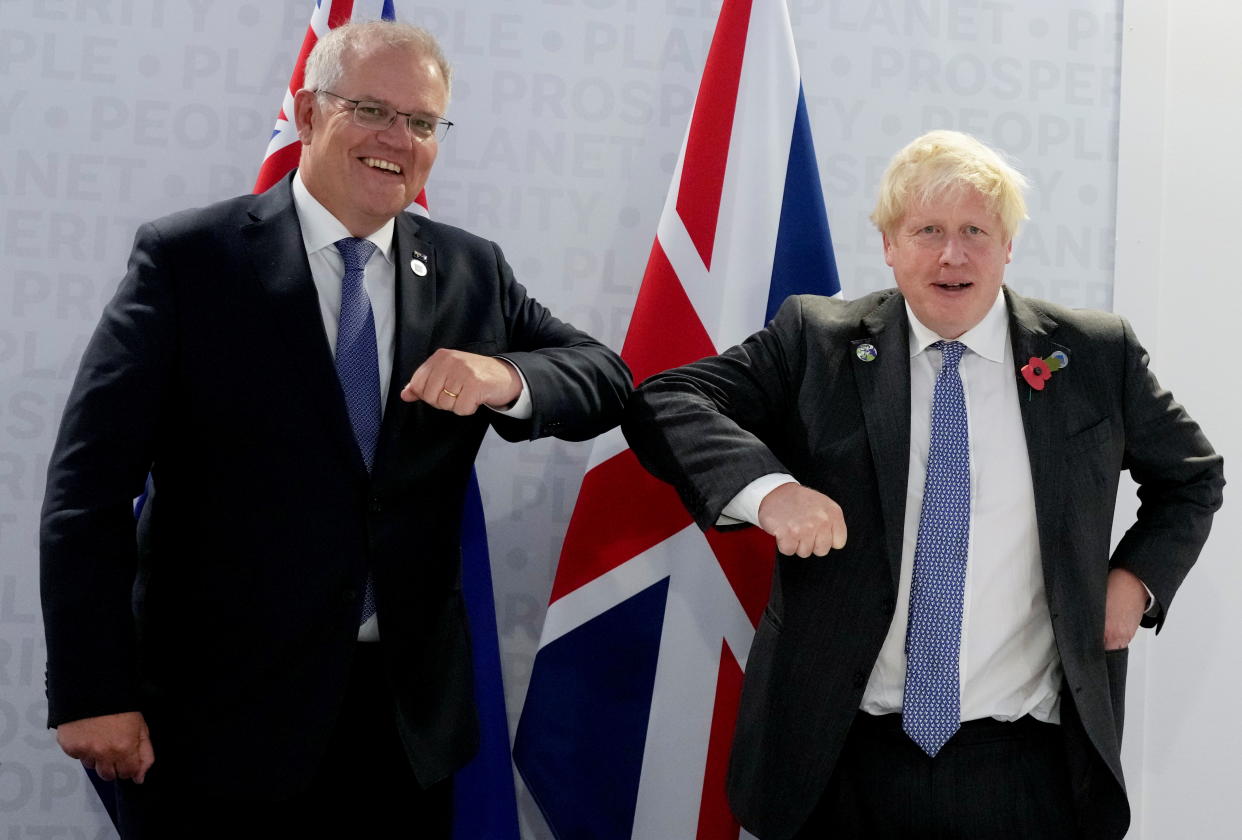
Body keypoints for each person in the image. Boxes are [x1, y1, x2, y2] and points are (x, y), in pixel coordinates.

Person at [39, 20, 630, 839]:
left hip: (402, 729)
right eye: (373, 111)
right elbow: (87, 491)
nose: (399, 139)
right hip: (214, 727)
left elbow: (606, 376)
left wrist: (505, 376)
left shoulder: (470, 270)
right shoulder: (191, 260)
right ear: (311, 113)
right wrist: (93, 690)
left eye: (423, 123)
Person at [622, 130, 1223, 839]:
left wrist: (1136, 581)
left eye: (976, 231)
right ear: (888, 244)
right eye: (927, 230)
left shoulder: (1092, 355)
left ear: (1009, 246)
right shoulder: (817, 340)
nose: (952, 255)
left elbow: (1192, 477)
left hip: (1029, 769)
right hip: (840, 760)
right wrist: (769, 490)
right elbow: (663, 402)